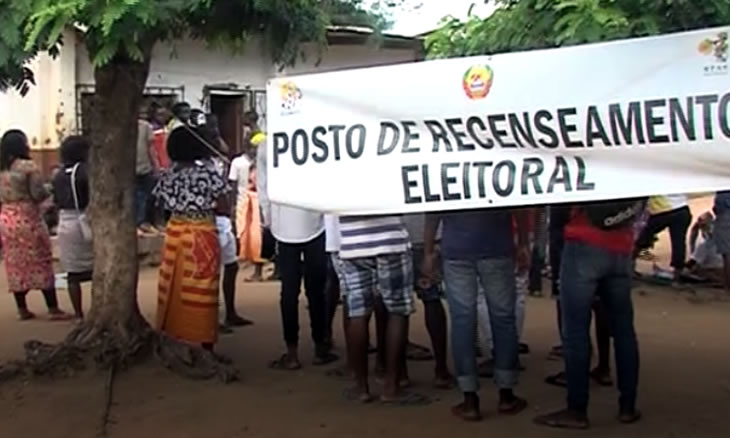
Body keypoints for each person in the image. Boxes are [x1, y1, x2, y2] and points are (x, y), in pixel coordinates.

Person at [535, 200, 643, 430]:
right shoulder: (633, 166)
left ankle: (577, 409)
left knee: (575, 332)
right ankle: (628, 406)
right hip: (621, 249)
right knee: (624, 331)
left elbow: (561, 206)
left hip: (583, 244)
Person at [424, 208, 529, 421]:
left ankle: (469, 398)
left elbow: (433, 209)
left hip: (456, 250)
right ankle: (506, 394)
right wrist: (523, 242)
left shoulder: (442, 173)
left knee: (463, 321)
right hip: (497, 247)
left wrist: (428, 251)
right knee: (503, 318)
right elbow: (518, 204)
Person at [258, 137, 337, 370]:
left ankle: (292, 352)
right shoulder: (318, 138)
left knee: (289, 292)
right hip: (315, 223)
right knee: (316, 290)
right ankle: (320, 347)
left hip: (284, 226)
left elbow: (264, 188)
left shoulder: (268, 144)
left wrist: (268, 219)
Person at [153, 127, 230, 350]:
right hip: (202, 232)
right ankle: (204, 342)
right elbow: (224, 205)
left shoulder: (167, 175)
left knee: (172, 285)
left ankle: (173, 337)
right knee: (203, 287)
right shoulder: (207, 174)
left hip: (175, 233)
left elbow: (158, 205)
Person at [338, 214, 428, 405]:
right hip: (390, 239)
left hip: (353, 243)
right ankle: (391, 387)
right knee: (397, 311)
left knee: (357, 314)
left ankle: (361, 387)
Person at [0, 130, 71, 321]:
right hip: (28, 217)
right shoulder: (28, 167)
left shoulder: (2, 168)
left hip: (6, 218)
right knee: (41, 260)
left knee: (15, 264)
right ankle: (53, 308)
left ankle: (22, 309)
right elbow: (38, 193)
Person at [403, 213, 453, 388]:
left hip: (398, 237)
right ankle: (441, 370)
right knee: (432, 299)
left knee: (397, 306)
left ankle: (399, 372)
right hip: (429, 235)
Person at [53, 136, 93, 320]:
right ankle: (97, 312)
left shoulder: (58, 175)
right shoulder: (86, 172)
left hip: (64, 223)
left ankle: (78, 314)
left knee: (72, 273)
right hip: (85, 220)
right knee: (97, 269)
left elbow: (56, 201)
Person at [634, 194, 692, 281]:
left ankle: (628, 265)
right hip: (682, 208)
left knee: (643, 238)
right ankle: (677, 273)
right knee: (679, 243)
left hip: (662, 211)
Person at [135, 116, 157, 235]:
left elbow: (151, 148)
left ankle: (145, 223)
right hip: (129, 170)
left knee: (147, 197)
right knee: (135, 197)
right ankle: (137, 224)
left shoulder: (145, 126)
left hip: (145, 168)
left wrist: (156, 166)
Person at [712, 192, 730, 292]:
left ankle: (728, 285)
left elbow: (718, 207)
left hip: (726, 217)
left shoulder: (723, 185)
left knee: (727, 253)